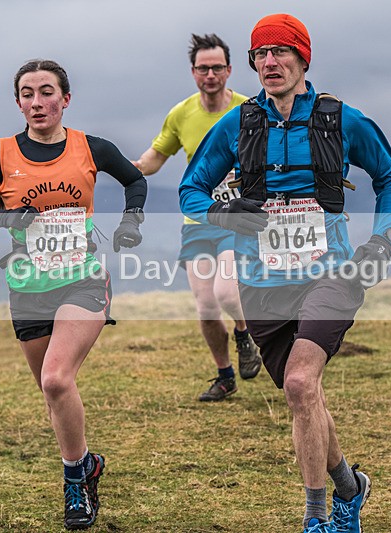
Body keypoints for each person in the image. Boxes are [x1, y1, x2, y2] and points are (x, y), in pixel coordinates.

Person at [179, 14, 391, 533]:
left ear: (304, 60)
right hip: (260, 280)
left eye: (281, 52)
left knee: (302, 382)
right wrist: (225, 214)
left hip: (332, 272)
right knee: (302, 395)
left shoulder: (341, 119)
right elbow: (190, 189)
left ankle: (316, 518)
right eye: (261, 54)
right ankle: (351, 487)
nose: (269, 62)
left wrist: (382, 240)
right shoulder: (238, 124)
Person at [0, 59, 147, 530]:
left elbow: (135, 180)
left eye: (46, 92)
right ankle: (86, 463)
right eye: (27, 94)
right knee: (51, 390)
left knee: (57, 379)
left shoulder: (91, 148)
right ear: (17, 102)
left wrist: (130, 220)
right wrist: (6, 218)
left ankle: (75, 485)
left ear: (65, 98)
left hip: (82, 280)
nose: (37, 102)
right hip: (28, 288)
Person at [133, 33, 263, 402]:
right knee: (205, 305)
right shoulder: (181, 114)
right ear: (193, 72)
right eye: (203, 68)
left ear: (229, 70)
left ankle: (244, 332)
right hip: (199, 219)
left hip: (237, 217)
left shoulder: (249, 109)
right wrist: (124, 168)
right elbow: (155, 159)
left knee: (226, 291)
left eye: (217, 68)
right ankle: (225, 376)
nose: (210, 75)